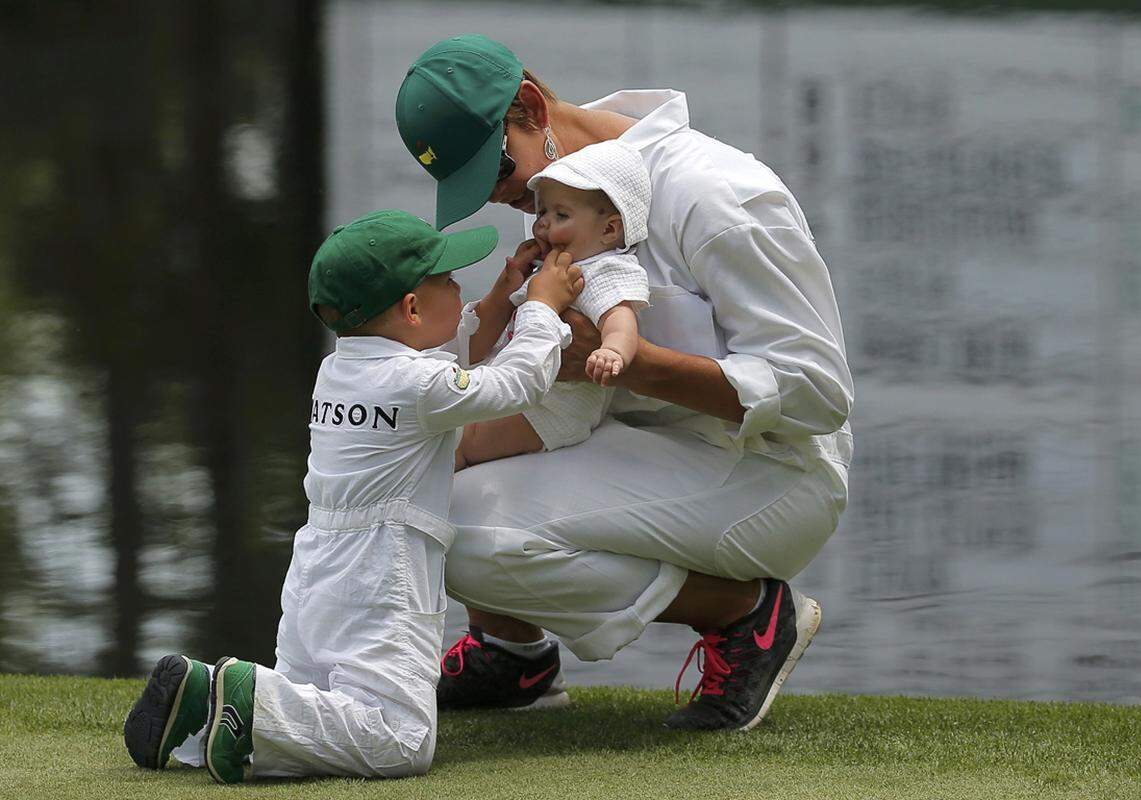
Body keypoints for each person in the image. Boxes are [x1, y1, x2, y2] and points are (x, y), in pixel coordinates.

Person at [397, 35, 852, 730]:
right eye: (480, 190)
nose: (507, 198)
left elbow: (818, 395)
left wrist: (634, 363)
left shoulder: (715, 194)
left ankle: (749, 616)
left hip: (775, 472)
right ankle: (510, 653)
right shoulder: (556, 209)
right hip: (642, 448)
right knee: (430, 476)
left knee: (459, 529)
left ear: (529, 106)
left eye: (498, 168)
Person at [121, 210, 583, 781]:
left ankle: (202, 707)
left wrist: (503, 295)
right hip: (384, 570)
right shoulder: (418, 386)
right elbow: (516, 382)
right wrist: (542, 308)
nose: (459, 289)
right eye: (447, 281)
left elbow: (449, 350)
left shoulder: (338, 371)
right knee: (401, 739)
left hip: (318, 564)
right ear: (411, 310)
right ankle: (237, 692)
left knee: (311, 700)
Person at [457, 139, 651, 467]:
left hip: (555, 407)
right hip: (524, 388)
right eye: (543, 211)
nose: (543, 223)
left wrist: (613, 350)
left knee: (465, 443)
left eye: (561, 214)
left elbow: (620, 317)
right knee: (456, 422)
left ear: (609, 229)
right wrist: (510, 284)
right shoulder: (550, 266)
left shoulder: (604, 270)